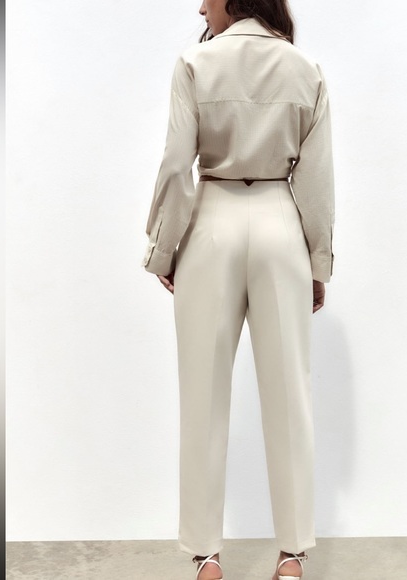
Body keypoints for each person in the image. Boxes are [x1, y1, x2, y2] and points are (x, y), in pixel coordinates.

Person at [141, 1, 334, 578]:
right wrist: (317, 261)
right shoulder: (305, 68)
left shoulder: (195, 64)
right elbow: (317, 178)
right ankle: (292, 556)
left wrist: (164, 248)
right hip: (280, 222)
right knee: (290, 394)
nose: (200, 5)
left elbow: (177, 165)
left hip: (213, 222)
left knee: (201, 394)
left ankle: (206, 557)